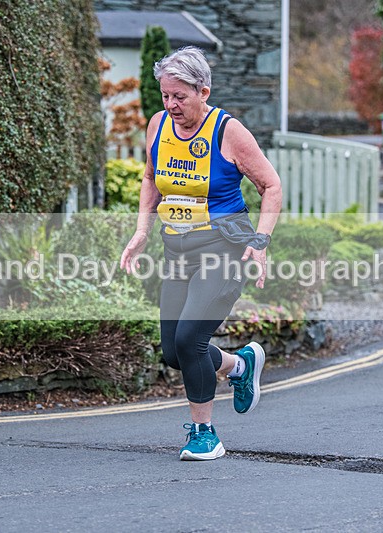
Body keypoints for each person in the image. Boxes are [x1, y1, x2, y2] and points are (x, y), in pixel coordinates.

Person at [120, 46, 282, 461]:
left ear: (203, 90)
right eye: (166, 96)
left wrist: (260, 242)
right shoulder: (158, 125)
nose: (171, 105)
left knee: (191, 340)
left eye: (180, 96)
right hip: (177, 249)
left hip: (223, 248)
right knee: (173, 351)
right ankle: (239, 366)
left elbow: (271, 186)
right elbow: (151, 178)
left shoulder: (228, 131)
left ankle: (205, 433)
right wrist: (142, 231)